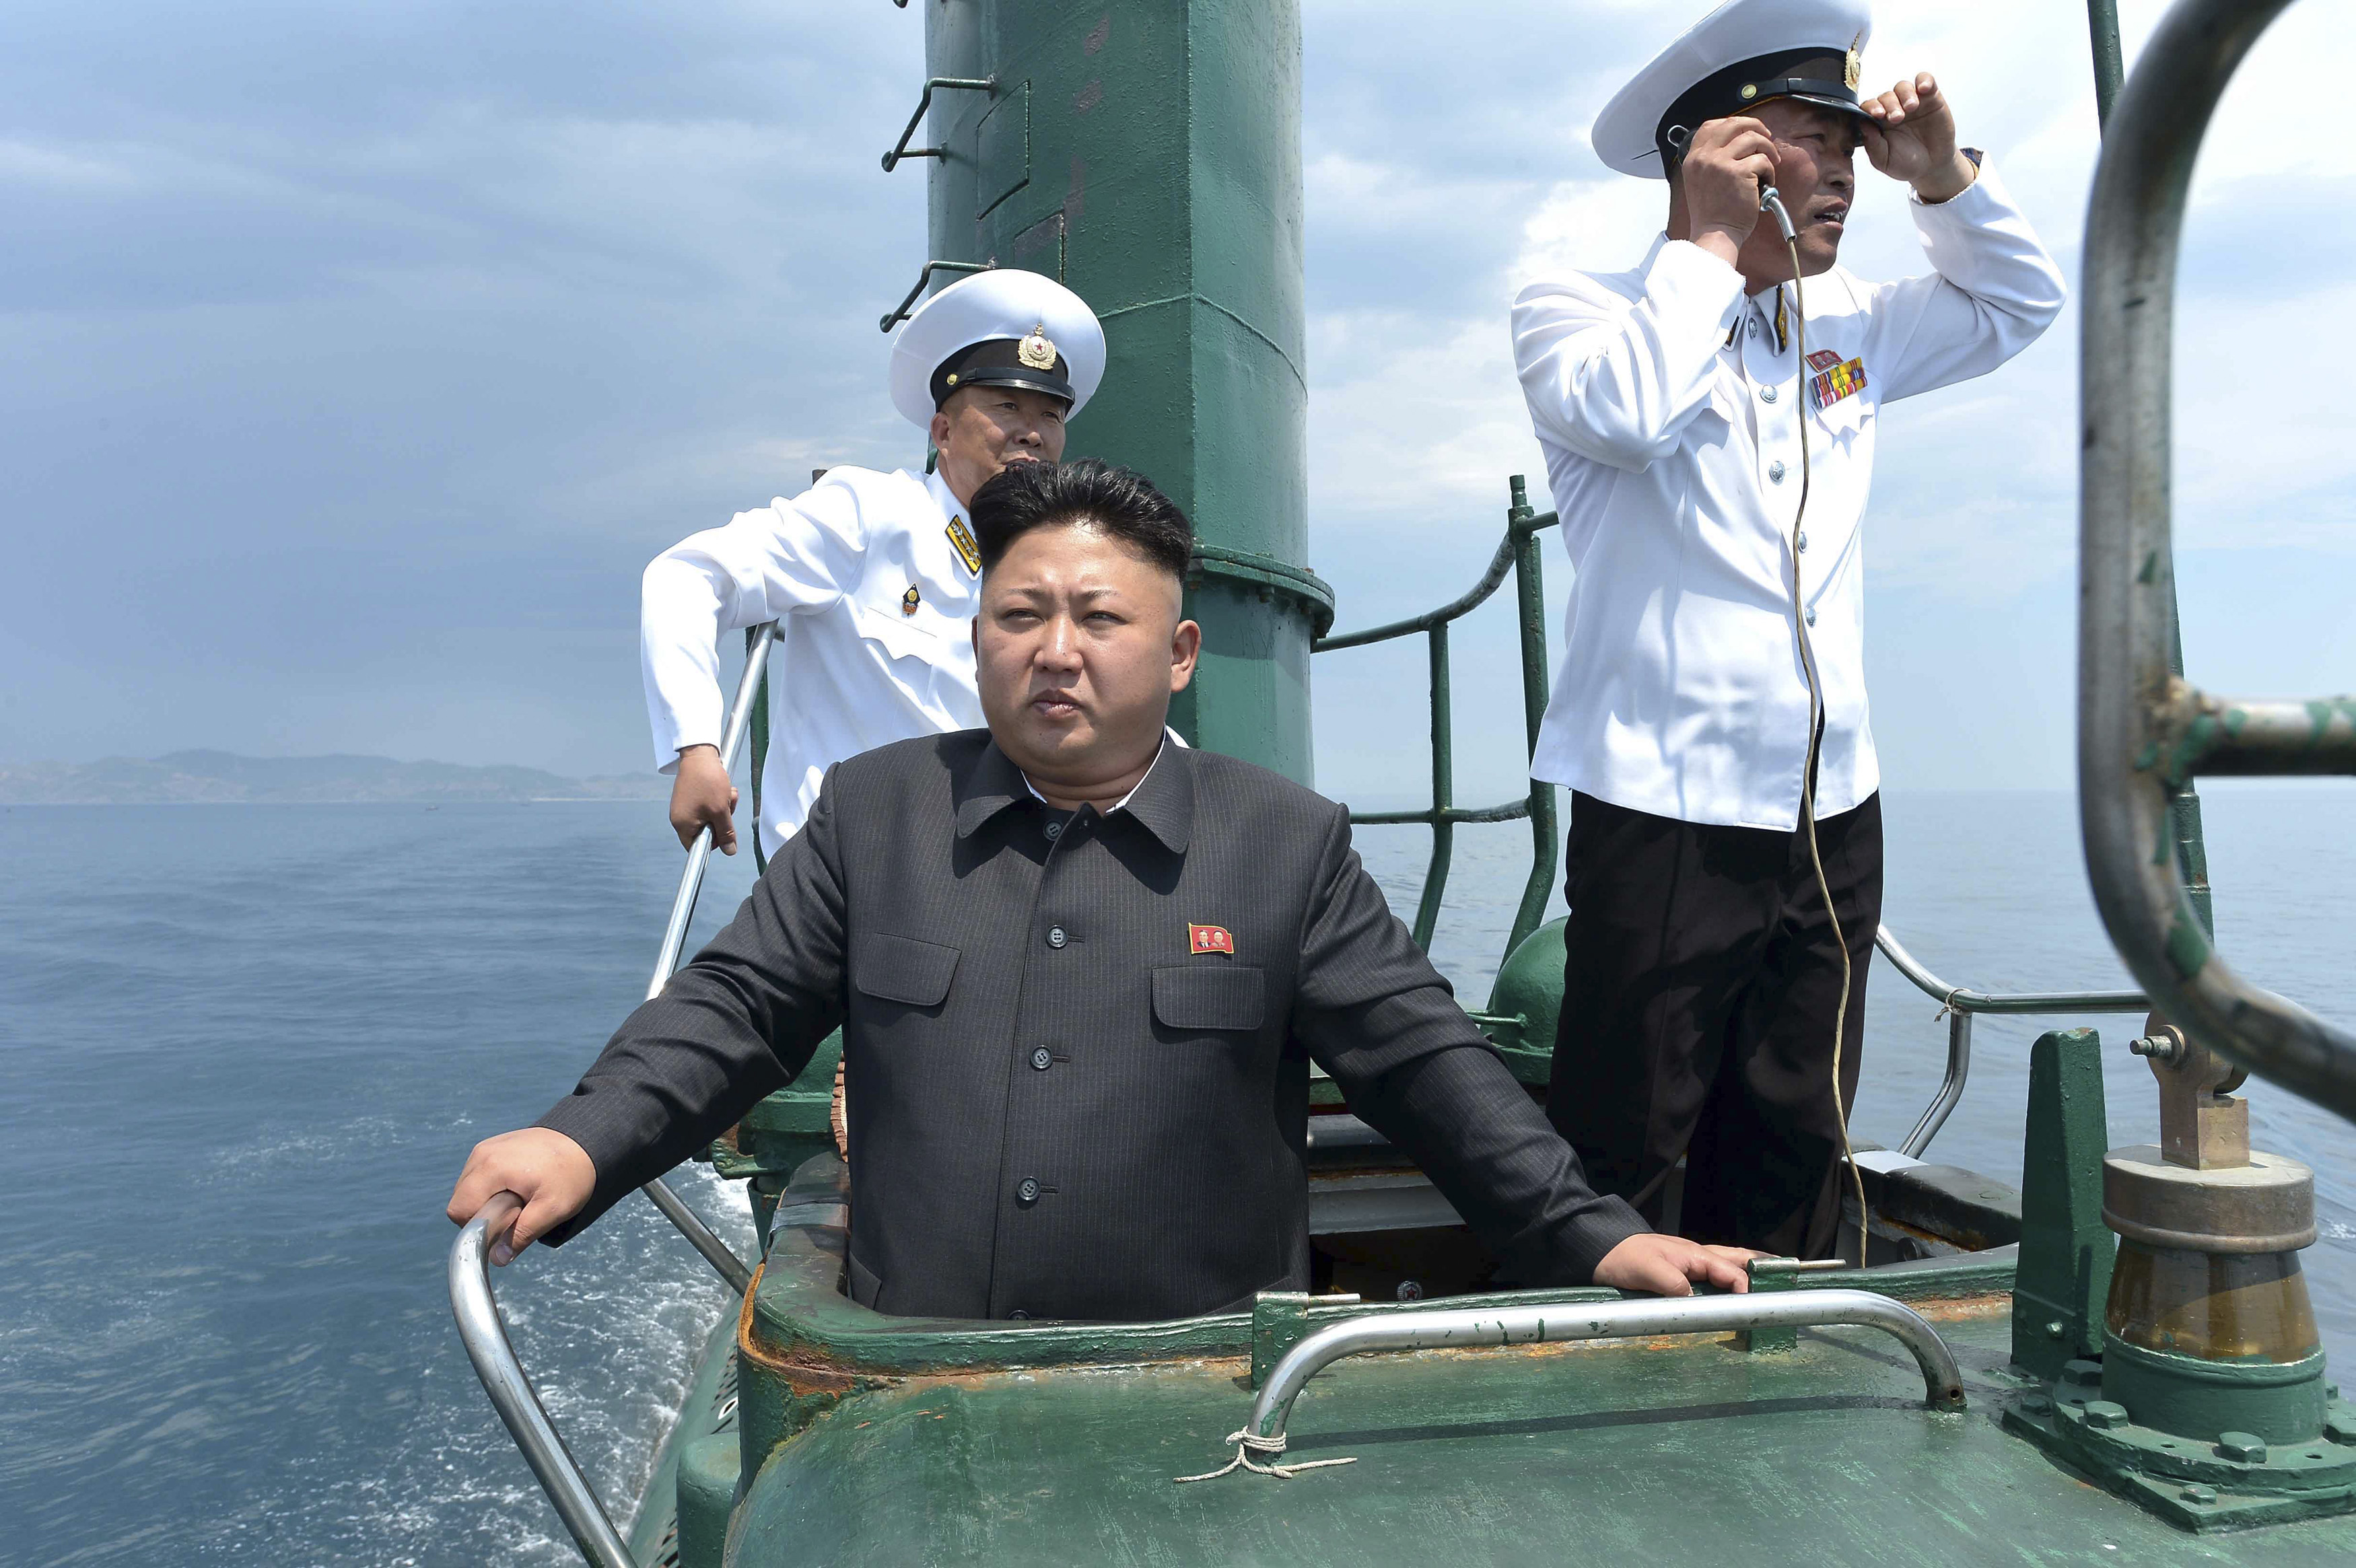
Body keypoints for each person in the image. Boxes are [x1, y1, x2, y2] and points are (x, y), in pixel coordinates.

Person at [449, 460, 1754, 1320]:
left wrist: (1592, 1238)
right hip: (919, 1386)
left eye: (1099, 619)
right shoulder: (875, 815)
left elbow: (1430, 1071)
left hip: (1188, 1404)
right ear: (975, 641)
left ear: (1179, 653)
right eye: (1019, 617)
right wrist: (583, 1136)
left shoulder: (1280, 844)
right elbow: (733, 1007)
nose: (1055, 651)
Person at [1510, 0, 2063, 1256]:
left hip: (1832, 809)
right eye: (1816, 143)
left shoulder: (1848, 324)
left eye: (1852, 146)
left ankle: (1780, 1387)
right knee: (1628, 1142)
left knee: (1798, 1130)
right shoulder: (1579, 310)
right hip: (1664, 810)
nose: (1848, 183)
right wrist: (1706, 244)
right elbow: (1634, 416)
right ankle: (1607, 1396)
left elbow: (2019, 306)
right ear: (1724, 153)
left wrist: (1945, 181)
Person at [644, 268, 1105, 863]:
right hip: (841, 881)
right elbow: (687, 577)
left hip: (987, 884)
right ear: (943, 430)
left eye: (1051, 415)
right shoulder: (870, 514)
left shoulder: (1057, 565)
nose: (1032, 433)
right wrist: (697, 747)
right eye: (1007, 405)